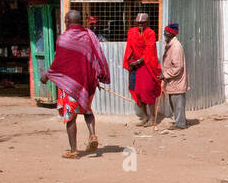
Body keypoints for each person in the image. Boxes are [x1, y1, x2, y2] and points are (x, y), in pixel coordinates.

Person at [39, 9, 110, 159]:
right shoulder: (89, 36)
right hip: (88, 82)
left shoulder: (63, 39)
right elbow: (97, 58)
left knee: (70, 116)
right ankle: (93, 135)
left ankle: (73, 150)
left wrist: (46, 76)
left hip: (69, 85)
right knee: (87, 110)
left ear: (67, 21)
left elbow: (59, 63)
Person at [123, 12, 162, 126]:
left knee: (147, 91)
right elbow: (129, 47)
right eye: (138, 23)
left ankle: (152, 118)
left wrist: (138, 61)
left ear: (147, 23)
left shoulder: (150, 33)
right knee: (136, 91)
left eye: (142, 23)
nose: (140, 25)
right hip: (134, 65)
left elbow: (150, 51)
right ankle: (144, 116)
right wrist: (129, 61)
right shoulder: (132, 32)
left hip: (146, 65)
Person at [160, 22, 189, 130]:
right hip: (173, 80)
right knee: (174, 103)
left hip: (177, 80)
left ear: (171, 34)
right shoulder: (171, 45)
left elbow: (178, 67)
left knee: (178, 104)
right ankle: (179, 121)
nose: (164, 34)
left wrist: (165, 75)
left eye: (166, 32)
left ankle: (181, 124)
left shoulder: (176, 47)